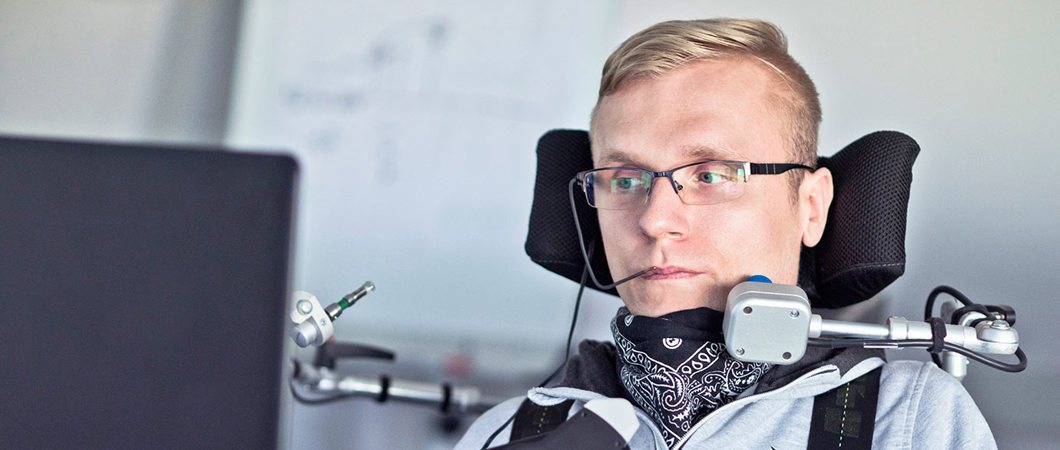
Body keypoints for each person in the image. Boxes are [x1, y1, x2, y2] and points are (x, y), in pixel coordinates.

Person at [458, 18, 995, 449]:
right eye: (625, 179)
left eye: (710, 175)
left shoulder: (910, 420)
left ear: (811, 207)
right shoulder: (506, 432)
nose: (654, 220)